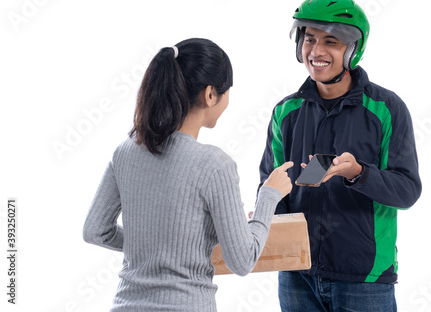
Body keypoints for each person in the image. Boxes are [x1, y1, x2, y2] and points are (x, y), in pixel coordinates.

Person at [82, 38, 293, 312]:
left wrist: (153, 251)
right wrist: (269, 195)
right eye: (227, 91)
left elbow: (94, 231)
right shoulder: (215, 165)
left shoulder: (125, 152)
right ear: (210, 94)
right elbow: (242, 261)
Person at [258, 0, 422, 311]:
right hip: (296, 277)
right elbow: (270, 183)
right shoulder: (286, 111)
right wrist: (265, 214)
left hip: (364, 280)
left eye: (330, 41)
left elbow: (407, 191)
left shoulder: (386, 109)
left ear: (352, 49)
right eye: (309, 39)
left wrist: (359, 174)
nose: (316, 51)